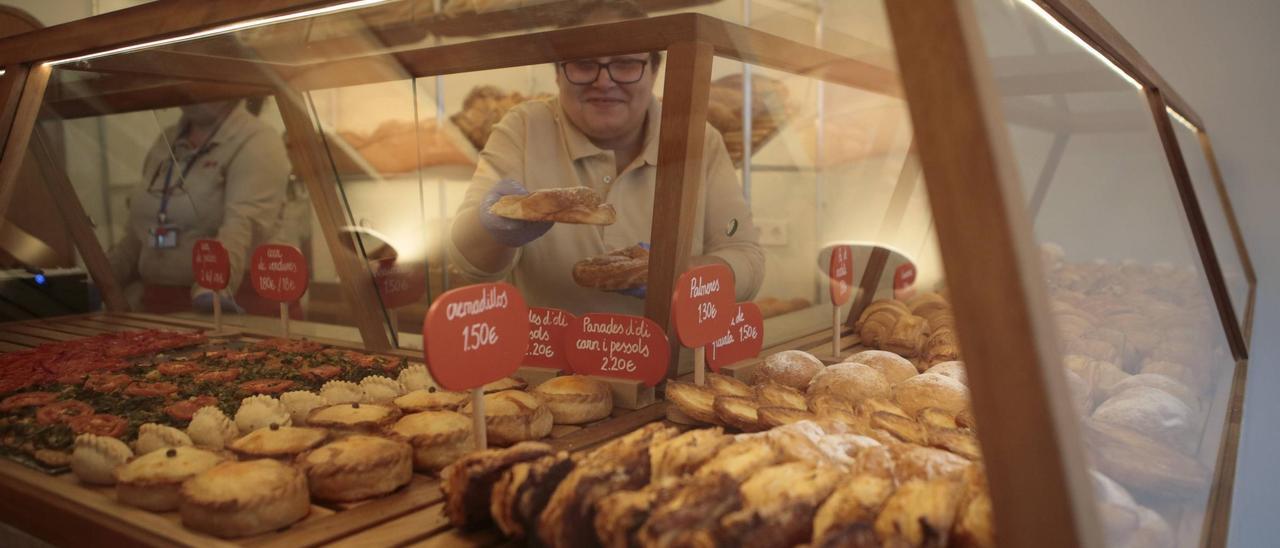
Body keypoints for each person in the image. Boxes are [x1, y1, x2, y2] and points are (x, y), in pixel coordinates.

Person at [447, 2, 764, 316]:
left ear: (654, 71)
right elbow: (469, 266)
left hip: (670, 363)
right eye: (584, 64)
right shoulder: (524, 128)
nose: (604, 81)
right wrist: (492, 230)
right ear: (558, 74)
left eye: (625, 63)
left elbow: (746, 258)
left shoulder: (698, 140)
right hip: (549, 364)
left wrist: (681, 274)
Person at [108, 99, 295, 315]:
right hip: (158, 303)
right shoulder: (166, 139)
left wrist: (212, 290)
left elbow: (243, 225)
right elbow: (138, 229)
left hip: (230, 303)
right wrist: (104, 279)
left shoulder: (259, 139)